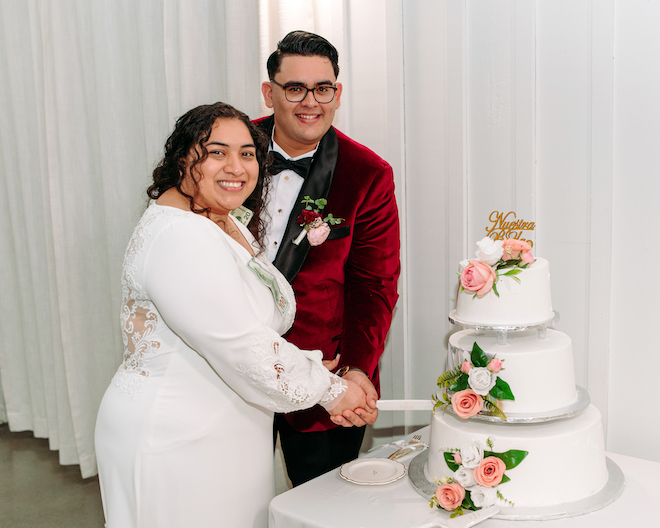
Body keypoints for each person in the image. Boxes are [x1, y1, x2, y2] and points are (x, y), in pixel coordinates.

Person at [94, 102, 370, 528]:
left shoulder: (221, 219)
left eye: (246, 153)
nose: (237, 167)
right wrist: (331, 391)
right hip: (177, 438)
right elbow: (242, 346)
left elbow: (244, 321)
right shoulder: (178, 236)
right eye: (217, 151)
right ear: (184, 157)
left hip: (228, 430)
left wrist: (312, 366)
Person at [258, 31, 401, 486]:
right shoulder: (226, 152)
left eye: (323, 88)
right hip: (230, 369)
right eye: (295, 87)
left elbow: (374, 285)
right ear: (269, 92)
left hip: (323, 372)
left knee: (323, 503)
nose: (310, 102)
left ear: (337, 93)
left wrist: (356, 371)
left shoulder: (368, 174)